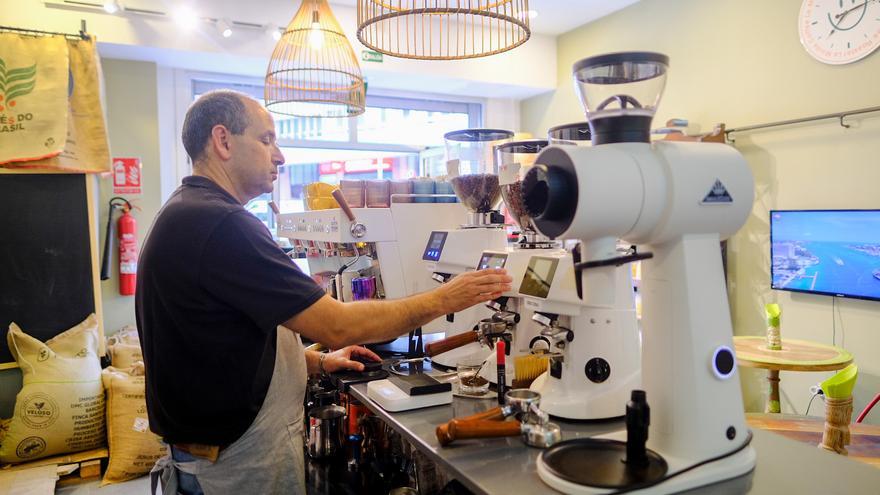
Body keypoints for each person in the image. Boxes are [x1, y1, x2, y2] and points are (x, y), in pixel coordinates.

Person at [135, 89, 512, 495]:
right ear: (223, 140)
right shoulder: (221, 223)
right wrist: (444, 298)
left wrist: (313, 362)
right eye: (266, 140)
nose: (279, 156)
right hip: (233, 461)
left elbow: (221, 338)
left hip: (211, 453)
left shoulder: (187, 210)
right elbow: (337, 324)